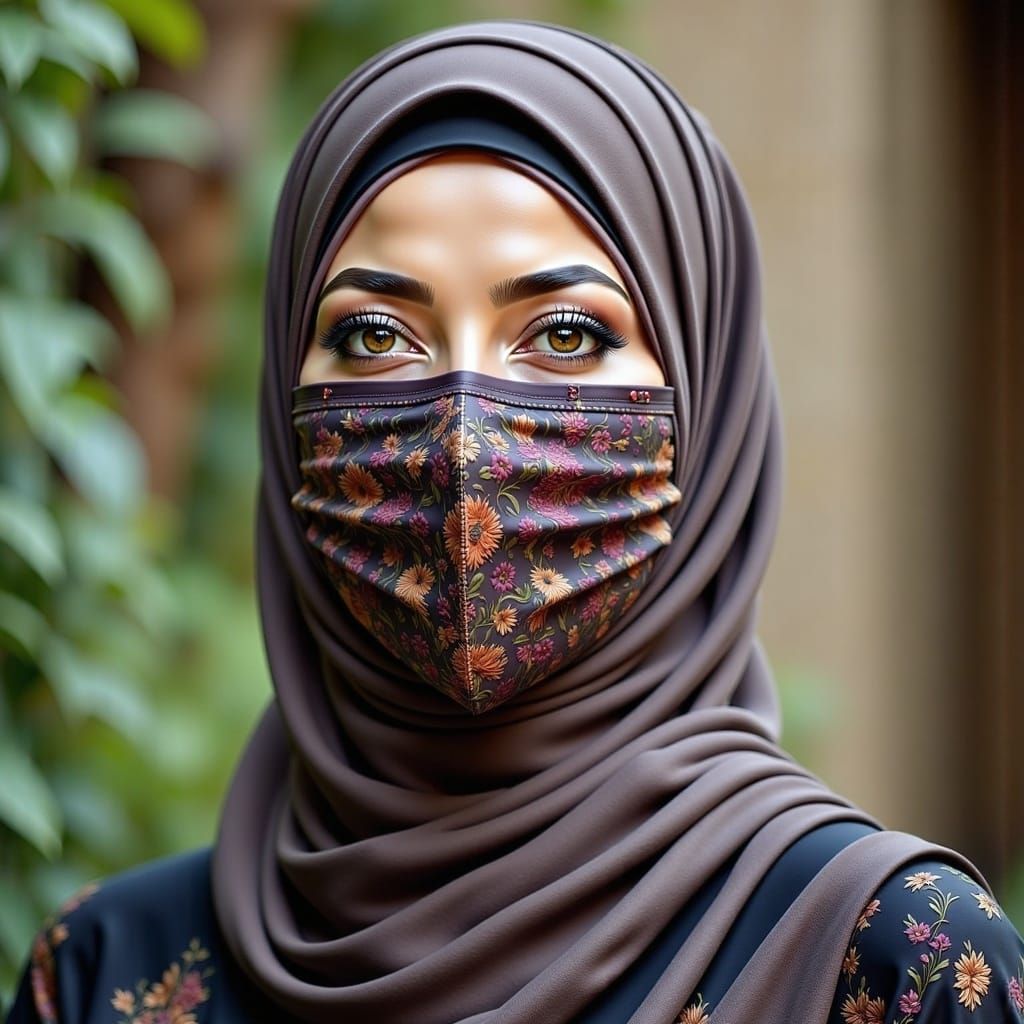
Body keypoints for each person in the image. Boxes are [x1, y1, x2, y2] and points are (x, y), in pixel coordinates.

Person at [6, 20, 1023, 1024]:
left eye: (567, 334)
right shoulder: (108, 973)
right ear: (283, 393)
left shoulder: (894, 963)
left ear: (705, 396)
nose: (462, 436)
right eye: (374, 334)